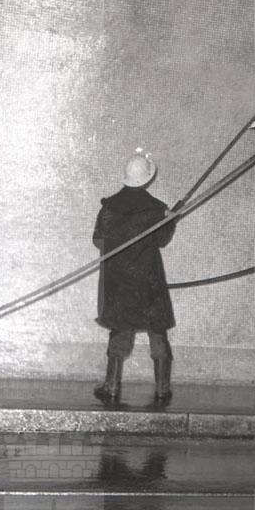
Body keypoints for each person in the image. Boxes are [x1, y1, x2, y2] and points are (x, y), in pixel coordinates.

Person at [93, 148, 176, 406]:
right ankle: (162, 389)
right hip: (149, 280)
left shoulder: (109, 207)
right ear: (147, 179)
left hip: (119, 280)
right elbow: (161, 240)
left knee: (120, 329)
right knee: (157, 330)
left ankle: (111, 386)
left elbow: (98, 239)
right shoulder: (156, 209)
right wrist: (170, 220)